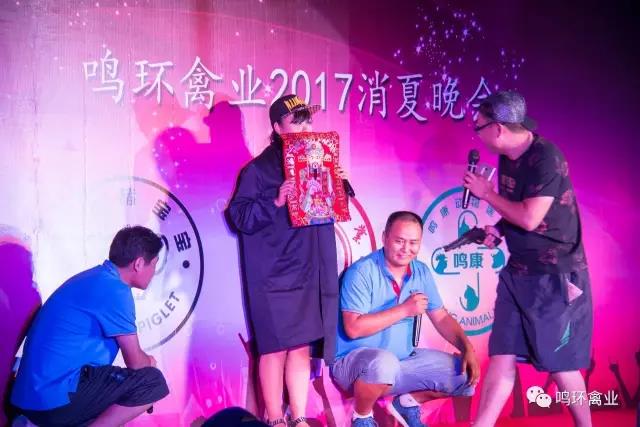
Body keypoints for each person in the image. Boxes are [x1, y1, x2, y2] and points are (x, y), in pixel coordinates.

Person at [463, 91, 593, 427]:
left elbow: (530, 217)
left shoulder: (546, 157)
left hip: (554, 275)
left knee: (561, 363)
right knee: (502, 352)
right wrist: (499, 229)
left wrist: (486, 194)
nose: (476, 134)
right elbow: (518, 209)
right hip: (518, 272)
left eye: (479, 127)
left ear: (498, 129)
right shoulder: (508, 156)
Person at [227, 94, 345, 427]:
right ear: (278, 128)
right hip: (272, 276)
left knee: (300, 347)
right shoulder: (258, 170)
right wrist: (276, 201)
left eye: (308, 120)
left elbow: (330, 207)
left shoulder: (318, 160)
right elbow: (238, 215)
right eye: (297, 121)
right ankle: (276, 419)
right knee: (274, 348)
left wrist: (336, 184)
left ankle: (299, 416)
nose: (305, 127)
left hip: (307, 269)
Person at [331, 211, 479, 427]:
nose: (406, 249)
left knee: (465, 375)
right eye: (399, 241)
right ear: (385, 238)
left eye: (413, 243)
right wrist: (404, 310)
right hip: (353, 364)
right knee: (383, 363)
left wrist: (467, 348)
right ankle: (361, 418)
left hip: (402, 361)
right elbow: (353, 328)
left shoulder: (421, 272)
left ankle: (408, 403)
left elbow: (441, 317)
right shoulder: (362, 272)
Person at [10, 226, 169, 426]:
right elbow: (136, 363)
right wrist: (150, 362)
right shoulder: (115, 290)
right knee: (152, 381)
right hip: (52, 398)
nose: (154, 272)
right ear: (138, 264)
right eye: (154, 264)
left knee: (116, 399)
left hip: (33, 397)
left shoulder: (96, 278)